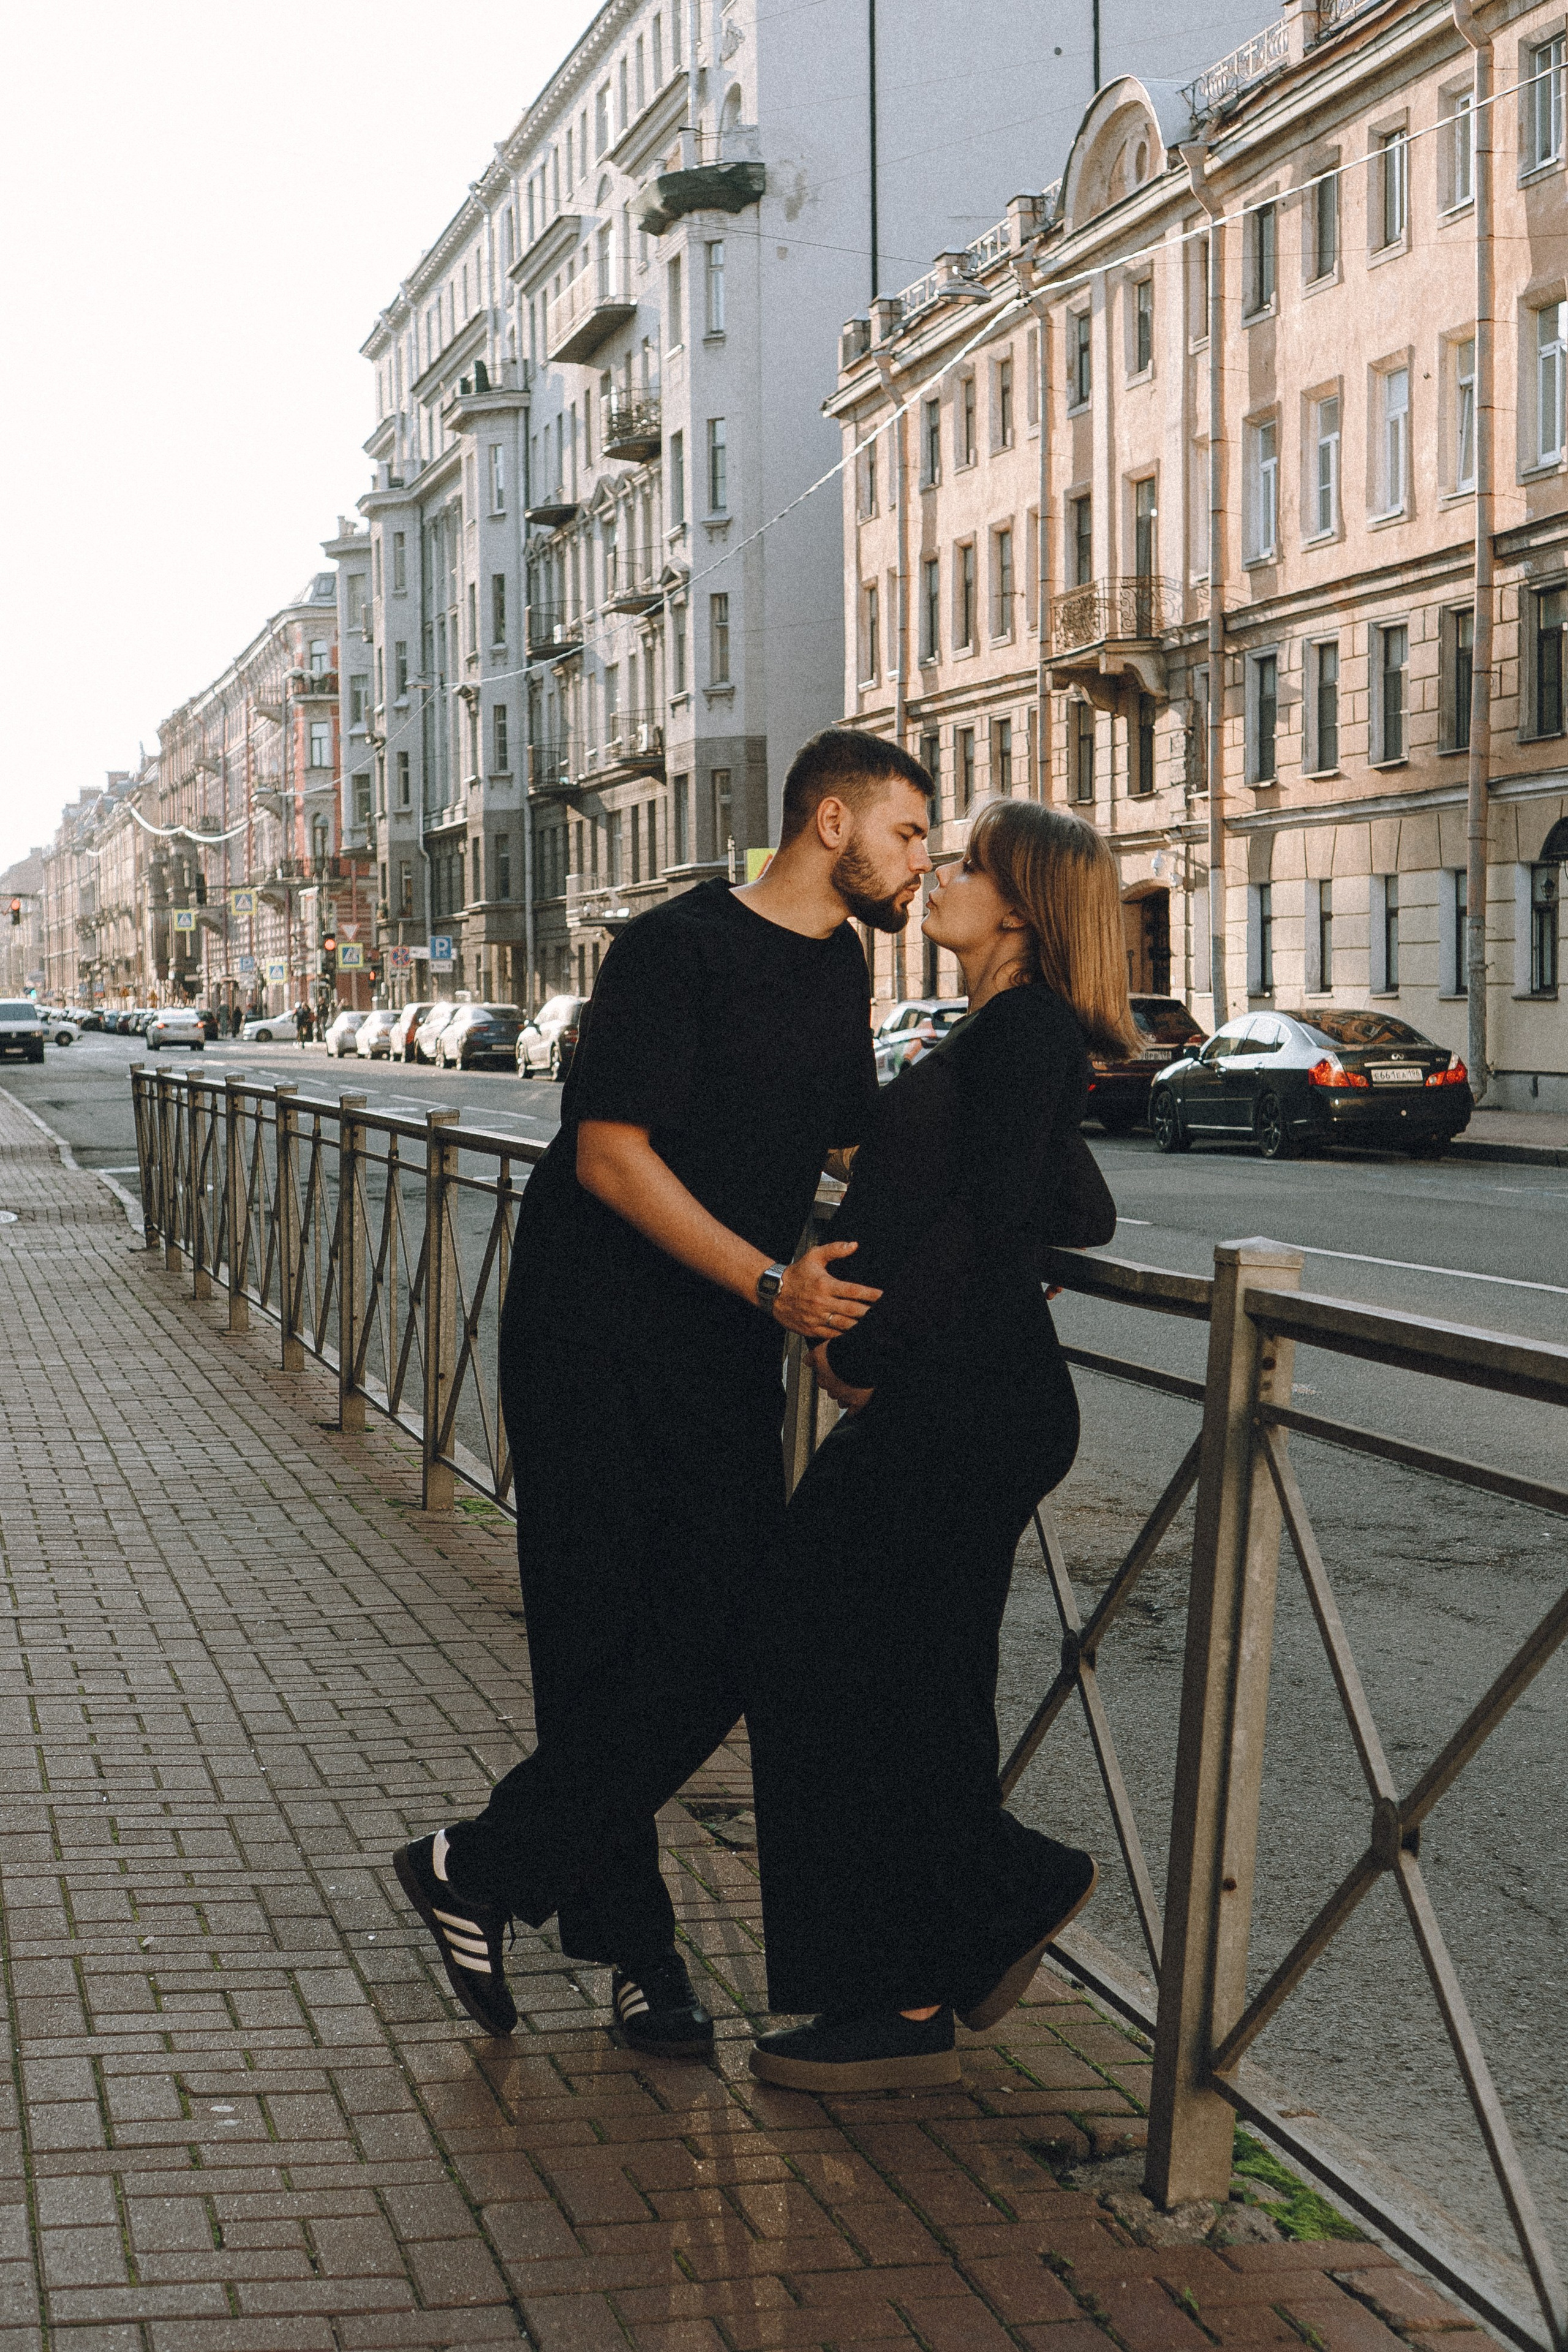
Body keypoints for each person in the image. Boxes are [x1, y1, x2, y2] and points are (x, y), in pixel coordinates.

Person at [393, 728, 935, 2052]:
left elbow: (849, 1144)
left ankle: (475, 1868)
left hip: (717, 1340)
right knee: (599, 1642)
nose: (922, 856)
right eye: (909, 831)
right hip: (590, 1332)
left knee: (734, 1630)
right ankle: (639, 1958)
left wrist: (955, 1243)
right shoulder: (673, 948)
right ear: (830, 824)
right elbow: (610, 1161)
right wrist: (772, 1286)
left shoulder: (842, 964)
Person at [745, 799, 1131, 2092]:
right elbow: (1069, 1200)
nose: (943, 877)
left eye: (963, 861)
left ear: (1016, 902)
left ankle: (986, 1902)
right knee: (904, 1677)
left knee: (816, 1637)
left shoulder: (1019, 1029)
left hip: (961, 1407)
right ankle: (913, 1981)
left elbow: (998, 1217)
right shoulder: (1004, 1035)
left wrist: (863, 1350)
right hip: (963, 1402)